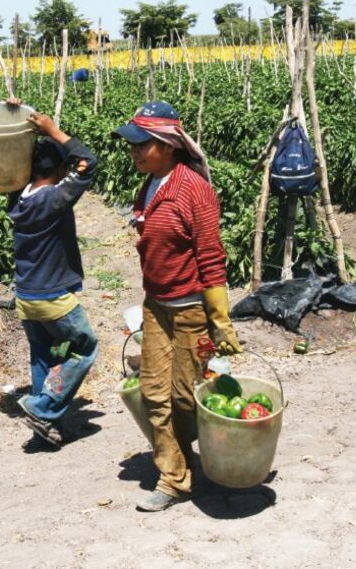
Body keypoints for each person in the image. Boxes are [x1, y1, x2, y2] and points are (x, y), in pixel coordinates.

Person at [113, 100, 242, 512]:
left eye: (142, 144)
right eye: (132, 144)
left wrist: (220, 321)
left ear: (167, 145)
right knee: (153, 393)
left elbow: (210, 257)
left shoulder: (194, 190)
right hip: (157, 305)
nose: (133, 151)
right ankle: (175, 478)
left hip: (190, 311)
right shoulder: (149, 184)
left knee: (185, 397)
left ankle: (220, 460)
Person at [5, 97, 99, 449]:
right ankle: (43, 407)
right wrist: (55, 132)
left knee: (44, 357)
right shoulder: (52, 200)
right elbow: (89, 163)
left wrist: (19, 115)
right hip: (52, 297)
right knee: (84, 347)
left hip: (26, 297)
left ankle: (45, 427)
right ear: (59, 170)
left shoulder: (18, 198)